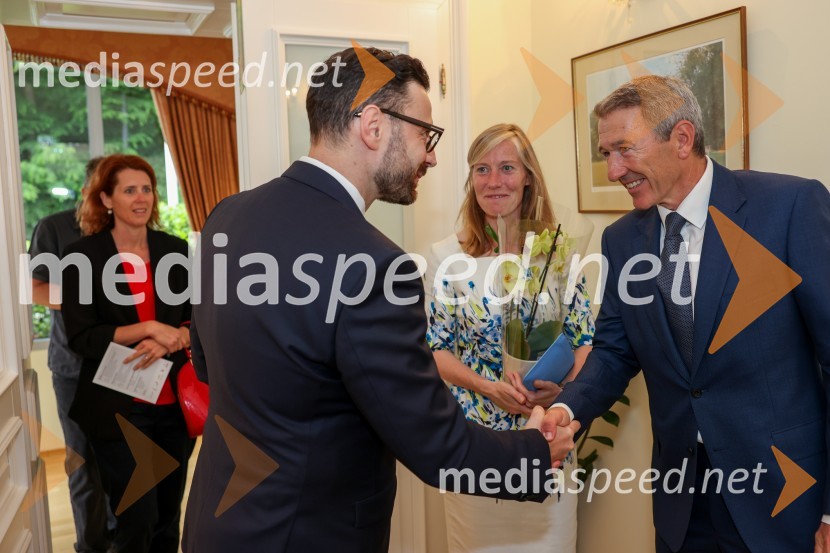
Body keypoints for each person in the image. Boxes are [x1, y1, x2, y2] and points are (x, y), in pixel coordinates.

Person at [182, 47, 580, 553]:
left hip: (219, 524)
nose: (432, 156)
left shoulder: (227, 217)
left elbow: (208, 363)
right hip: (306, 534)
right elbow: (437, 447)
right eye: (425, 135)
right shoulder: (376, 265)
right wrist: (536, 451)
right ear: (373, 126)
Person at [542, 75, 830, 552]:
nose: (613, 171)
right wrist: (564, 409)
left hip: (786, 497)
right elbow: (614, 352)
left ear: (681, 138)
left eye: (624, 150)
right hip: (682, 504)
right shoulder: (622, 241)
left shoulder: (789, 208)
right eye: (605, 154)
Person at [425, 123, 595, 553]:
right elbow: (437, 351)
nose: (494, 181)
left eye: (506, 168)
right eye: (481, 169)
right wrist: (488, 388)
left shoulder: (555, 254)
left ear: (528, 178)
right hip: (476, 452)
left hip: (548, 447)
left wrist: (561, 398)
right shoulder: (450, 257)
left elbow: (583, 342)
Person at [61, 154, 195, 553]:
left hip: (173, 406)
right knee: (137, 519)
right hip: (118, 408)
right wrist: (150, 328)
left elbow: (197, 319)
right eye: (129, 190)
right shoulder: (81, 256)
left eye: (147, 189)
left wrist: (173, 338)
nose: (141, 199)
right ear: (106, 199)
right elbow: (82, 337)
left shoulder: (174, 249)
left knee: (169, 518)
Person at [29, 157, 114, 553]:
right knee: (83, 463)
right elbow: (36, 289)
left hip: (124, 364)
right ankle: (90, 545)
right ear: (88, 192)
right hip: (72, 368)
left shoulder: (129, 230)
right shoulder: (53, 228)